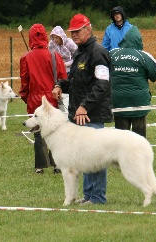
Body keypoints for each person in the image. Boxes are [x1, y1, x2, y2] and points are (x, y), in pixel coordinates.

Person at [52, 14, 113, 205]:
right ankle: (88, 195)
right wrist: (61, 84)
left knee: (95, 157)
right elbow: (75, 82)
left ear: (89, 29)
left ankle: (97, 197)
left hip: (91, 114)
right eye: (73, 32)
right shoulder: (80, 52)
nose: (74, 34)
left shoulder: (98, 52)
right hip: (78, 115)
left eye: (78, 31)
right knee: (84, 158)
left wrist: (84, 106)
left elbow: (101, 85)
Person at [19, 23, 67, 174]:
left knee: (38, 131)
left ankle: (40, 166)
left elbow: (24, 82)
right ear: (45, 37)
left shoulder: (25, 58)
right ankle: (57, 164)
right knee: (55, 132)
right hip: (52, 97)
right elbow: (62, 77)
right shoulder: (55, 56)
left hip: (34, 98)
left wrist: (25, 97)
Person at [110, 26, 156, 138]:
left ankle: (121, 155)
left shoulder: (113, 53)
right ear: (138, 40)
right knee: (139, 138)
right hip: (139, 103)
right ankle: (139, 155)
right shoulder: (143, 55)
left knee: (121, 138)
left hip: (119, 102)